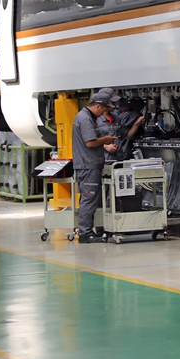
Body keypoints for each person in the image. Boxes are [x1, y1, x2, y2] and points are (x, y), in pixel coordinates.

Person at [73, 88, 119, 243]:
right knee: (89, 198)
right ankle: (85, 234)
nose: (104, 113)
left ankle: (94, 230)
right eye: (105, 109)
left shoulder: (86, 116)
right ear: (99, 106)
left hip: (90, 164)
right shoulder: (85, 118)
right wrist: (105, 140)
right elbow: (90, 142)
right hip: (88, 165)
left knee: (92, 199)